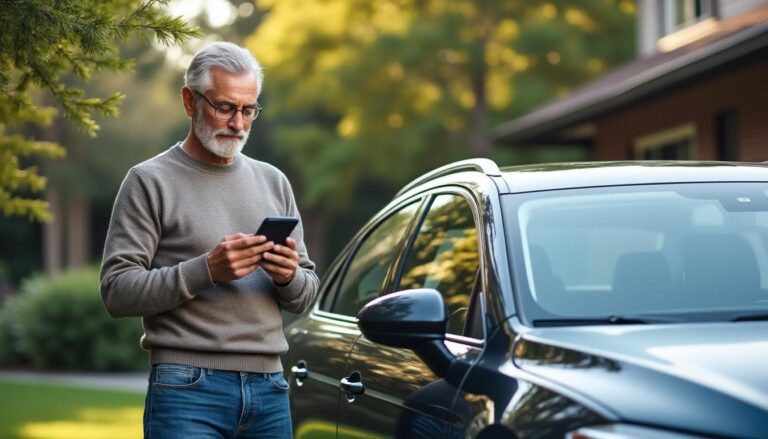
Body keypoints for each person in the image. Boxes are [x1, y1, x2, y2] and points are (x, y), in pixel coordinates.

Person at [100, 41, 318, 438]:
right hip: (186, 389)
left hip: (270, 389)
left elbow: (305, 294)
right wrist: (207, 270)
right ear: (189, 100)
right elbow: (116, 292)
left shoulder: (274, 181)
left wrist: (289, 276)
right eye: (224, 107)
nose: (238, 123)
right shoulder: (149, 181)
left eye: (248, 110)